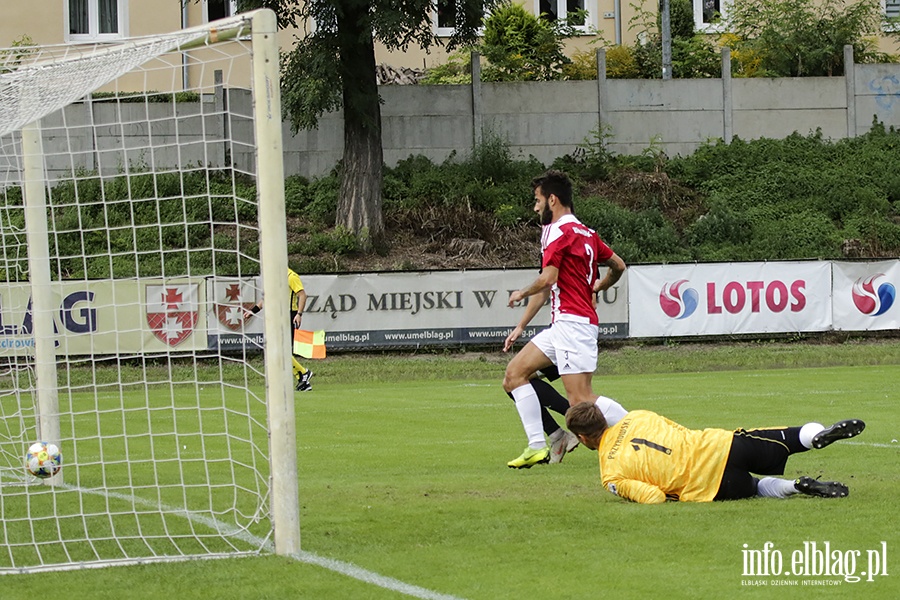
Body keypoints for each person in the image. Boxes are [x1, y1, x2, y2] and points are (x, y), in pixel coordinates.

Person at [502, 169, 627, 469]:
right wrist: (599, 285)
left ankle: (633, 428)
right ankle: (540, 444)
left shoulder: (556, 232)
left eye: (537, 200)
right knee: (514, 375)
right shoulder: (586, 233)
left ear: (552, 200)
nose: (535, 207)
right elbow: (619, 265)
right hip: (565, 325)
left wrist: (520, 292)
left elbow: (547, 280)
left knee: (581, 400)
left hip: (574, 326)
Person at [565, 401, 866, 504]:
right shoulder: (637, 416)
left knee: (757, 489)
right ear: (602, 418)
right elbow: (676, 428)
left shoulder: (610, 473)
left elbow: (654, 497)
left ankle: (795, 487)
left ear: (582, 437)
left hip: (708, 487)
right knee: (787, 436)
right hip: (718, 446)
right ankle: (817, 435)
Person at [247, 268, 314, 392]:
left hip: (289, 315)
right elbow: (267, 298)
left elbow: (302, 295)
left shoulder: (291, 276)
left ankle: (302, 373)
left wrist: (299, 314)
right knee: (276, 349)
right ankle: (302, 377)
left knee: (282, 350)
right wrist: (253, 311)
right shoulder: (275, 278)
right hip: (279, 316)